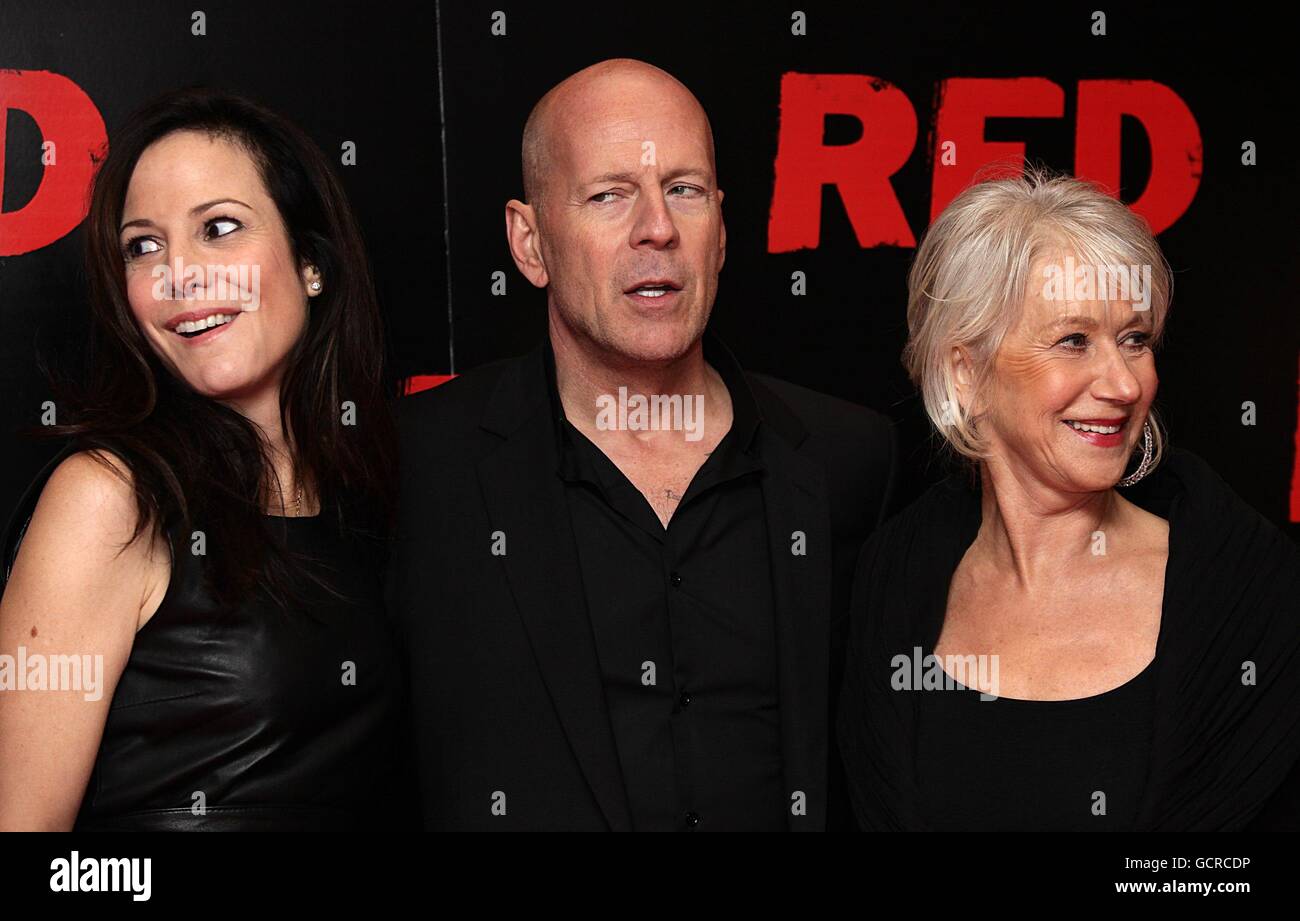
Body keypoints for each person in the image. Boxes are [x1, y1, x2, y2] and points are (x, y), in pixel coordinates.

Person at [388, 58, 897, 830]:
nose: (657, 227)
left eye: (684, 190)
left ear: (721, 230)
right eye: (609, 194)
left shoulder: (849, 459)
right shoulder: (417, 467)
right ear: (530, 243)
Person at [837, 168, 1300, 831]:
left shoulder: (1249, 591)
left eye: (1135, 339)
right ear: (966, 373)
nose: (1122, 383)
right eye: (1073, 340)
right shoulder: (891, 580)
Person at [0, 88, 403, 831]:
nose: (180, 274)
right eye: (143, 247)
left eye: (219, 229)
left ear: (311, 263)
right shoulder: (110, 497)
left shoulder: (370, 499)